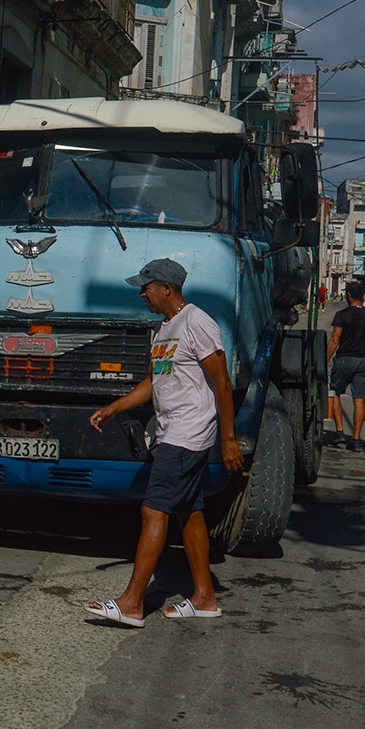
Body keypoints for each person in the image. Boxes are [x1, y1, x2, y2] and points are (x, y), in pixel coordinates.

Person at [84, 259, 243, 628]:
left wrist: (229, 440)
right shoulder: (165, 329)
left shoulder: (197, 322)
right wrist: (115, 407)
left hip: (188, 433)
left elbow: (222, 382)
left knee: (153, 510)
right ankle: (204, 597)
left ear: (167, 288)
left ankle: (132, 603)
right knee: (189, 511)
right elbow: (156, 381)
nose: (142, 294)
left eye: (147, 287)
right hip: (170, 430)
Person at [327, 281, 365, 451]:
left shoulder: (342, 315)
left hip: (345, 360)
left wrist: (324, 361)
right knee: (360, 400)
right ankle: (356, 440)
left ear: (348, 296)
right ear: (364, 297)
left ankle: (339, 432)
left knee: (335, 393)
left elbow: (334, 340)